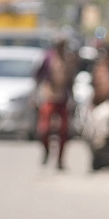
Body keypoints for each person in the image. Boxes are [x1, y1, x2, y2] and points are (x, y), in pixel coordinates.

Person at [33, 37, 78, 168]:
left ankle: (60, 159)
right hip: (49, 96)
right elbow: (38, 75)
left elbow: (70, 80)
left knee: (63, 131)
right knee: (44, 129)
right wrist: (37, 93)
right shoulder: (48, 58)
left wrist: (72, 97)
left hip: (62, 98)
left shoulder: (68, 60)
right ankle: (46, 150)